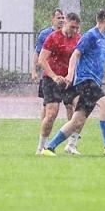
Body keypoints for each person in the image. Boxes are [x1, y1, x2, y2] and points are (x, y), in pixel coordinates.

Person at [40, 8, 105, 156]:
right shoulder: (90, 36)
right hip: (85, 80)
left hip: (95, 82)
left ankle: (49, 148)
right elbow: (75, 54)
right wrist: (70, 74)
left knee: (76, 121)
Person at [35, 11, 83, 154]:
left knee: (81, 109)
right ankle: (41, 147)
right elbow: (41, 60)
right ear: (65, 23)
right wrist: (55, 76)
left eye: (77, 28)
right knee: (51, 113)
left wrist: (72, 75)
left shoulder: (79, 39)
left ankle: (71, 145)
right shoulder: (53, 37)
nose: (74, 31)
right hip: (51, 79)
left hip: (69, 80)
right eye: (72, 27)